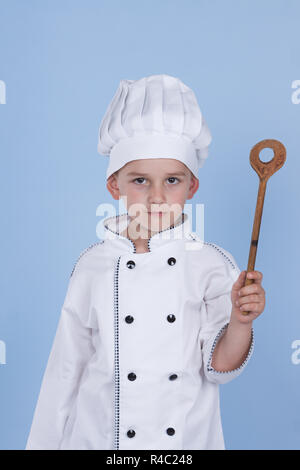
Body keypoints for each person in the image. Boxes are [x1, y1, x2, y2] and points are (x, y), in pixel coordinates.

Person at [25, 74, 265, 450]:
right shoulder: (92, 265)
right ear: (114, 186)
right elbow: (64, 372)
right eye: (140, 180)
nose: (156, 196)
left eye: (172, 180)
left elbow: (219, 367)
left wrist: (240, 321)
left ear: (192, 186)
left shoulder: (211, 265)